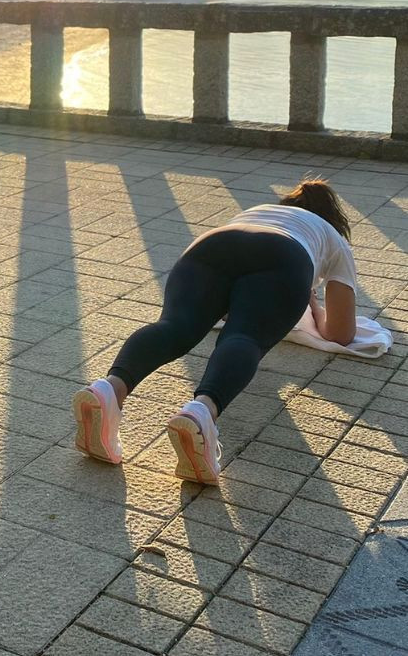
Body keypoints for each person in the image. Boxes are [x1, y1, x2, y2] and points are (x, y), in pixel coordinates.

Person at [72, 180, 363, 484]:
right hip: (285, 256)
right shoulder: (333, 239)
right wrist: (312, 305)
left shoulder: (260, 211)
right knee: (245, 337)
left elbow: (225, 303)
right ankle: (201, 412)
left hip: (208, 247)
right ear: (332, 220)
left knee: (174, 327)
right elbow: (340, 333)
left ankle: (109, 389)